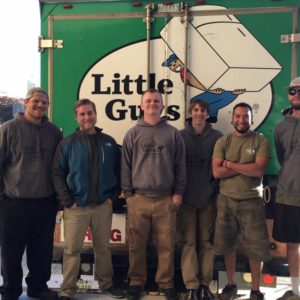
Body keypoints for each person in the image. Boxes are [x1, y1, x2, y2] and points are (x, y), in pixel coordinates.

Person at [52, 99, 125, 300]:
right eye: (82, 114)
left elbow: (120, 172)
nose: (87, 117)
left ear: (95, 114)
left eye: (90, 113)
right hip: (76, 208)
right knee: (72, 251)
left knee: (103, 249)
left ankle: (106, 285)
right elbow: (57, 172)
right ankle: (67, 291)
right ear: (77, 117)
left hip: (103, 206)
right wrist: (68, 200)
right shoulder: (67, 143)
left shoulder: (108, 142)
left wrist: (112, 197)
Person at [121, 88, 186, 300]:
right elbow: (125, 167)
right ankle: (136, 282)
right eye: (148, 101)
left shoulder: (172, 133)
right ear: (141, 105)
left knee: (166, 246)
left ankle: (166, 284)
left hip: (166, 199)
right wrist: (129, 195)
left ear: (162, 105)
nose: (152, 104)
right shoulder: (132, 133)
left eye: (156, 101)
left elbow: (180, 166)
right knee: (136, 245)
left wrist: (178, 193)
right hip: (138, 198)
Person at [0, 87, 63, 300]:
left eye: (44, 102)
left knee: (42, 250)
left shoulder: (54, 132)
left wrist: (57, 199)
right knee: (11, 251)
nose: (40, 105)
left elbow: (58, 168)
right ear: (26, 102)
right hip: (14, 203)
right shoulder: (8, 129)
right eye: (35, 101)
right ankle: (10, 290)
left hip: (45, 202)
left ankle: (38, 287)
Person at [212, 102, 271, 300]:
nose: (241, 120)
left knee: (256, 248)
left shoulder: (260, 141)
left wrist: (229, 163)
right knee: (228, 245)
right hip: (226, 200)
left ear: (251, 119)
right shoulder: (223, 141)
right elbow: (217, 172)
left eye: (245, 116)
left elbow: (258, 170)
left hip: (252, 201)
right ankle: (231, 284)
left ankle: (256, 290)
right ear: (232, 118)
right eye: (237, 116)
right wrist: (245, 166)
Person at [179, 100, 222, 300]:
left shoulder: (217, 137)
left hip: (208, 198)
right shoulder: (179, 137)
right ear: (190, 113)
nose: (199, 113)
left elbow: (220, 170)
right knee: (188, 242)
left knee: (207, 242)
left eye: (202, 110)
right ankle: (191, 286)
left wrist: (215, 191)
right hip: (185, 199)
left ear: (207, 113)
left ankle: (205, 284)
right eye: (195, 110)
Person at [273, 77, 300, 300]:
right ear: (289, 95)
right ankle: (295, 290)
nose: (297, 94)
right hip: (288, 196)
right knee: (292, 246)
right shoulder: (280, 127)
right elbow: (283, 158)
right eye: (293, 91)